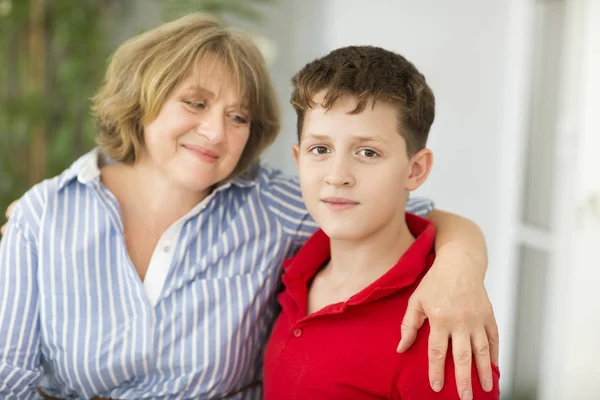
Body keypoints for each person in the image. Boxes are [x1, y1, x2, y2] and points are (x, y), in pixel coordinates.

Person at [0, 13, 497, 400]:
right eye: (194, 103)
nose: (216, 132)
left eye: (237, 116)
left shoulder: (274, 206)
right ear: (141, 101)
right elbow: (9, 379)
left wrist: (460, 266)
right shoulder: (43, 216)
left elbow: (409, 211)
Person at [263, 46, 500, 400]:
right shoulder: (295, 272)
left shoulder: (443, 324)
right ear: (298, 159)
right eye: (320, 149)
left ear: (414, 169)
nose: (337, 176)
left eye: (368, 152)